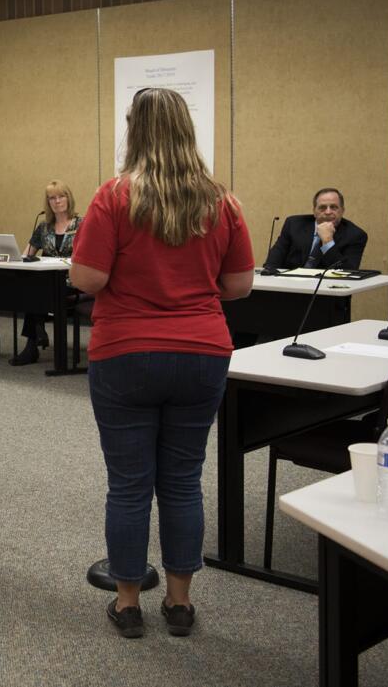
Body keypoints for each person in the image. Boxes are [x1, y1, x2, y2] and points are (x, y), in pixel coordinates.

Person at [69, 88, 255, 639]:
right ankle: (179, 604)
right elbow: (239, 285)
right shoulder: (221, 202)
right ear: (186, 129)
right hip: (201, 354)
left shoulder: (114, 196)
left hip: (126, 353)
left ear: (136, 129)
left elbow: (88, 279)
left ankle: (128, 604)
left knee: (128, 484)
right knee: (182, 481)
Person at [10, 180, 83, 366]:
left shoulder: (82, 224)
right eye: (52, 198)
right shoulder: (44, 227)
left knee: (36, 292)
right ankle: (36, 334)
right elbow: (27, 254)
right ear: (48, 202)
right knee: (31, 287)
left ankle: (34, 340)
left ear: (69, 198)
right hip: (46, 280)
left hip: (71, 281)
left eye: (61, 196)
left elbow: (88, 257)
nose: (57, 201)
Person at [263, 188, 367, 271]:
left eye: (334, 207)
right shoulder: (294, 224)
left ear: (342, 211)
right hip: (289, 287)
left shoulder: (355, 235)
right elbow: (272, 263)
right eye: (322, 208)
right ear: (314, 211)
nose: (328, 212)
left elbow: (348, 272)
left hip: (328, 292)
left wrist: (328, 242)